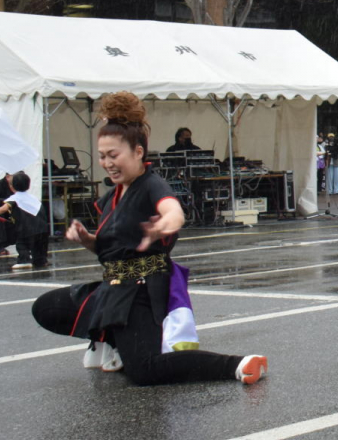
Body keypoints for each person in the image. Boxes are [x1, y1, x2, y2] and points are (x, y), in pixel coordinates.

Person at [30, 92, 267, 386]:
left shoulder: (151, 184)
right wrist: (88, 240)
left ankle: (236, 364)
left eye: (113, 155)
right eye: (103, 156)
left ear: (138, 152)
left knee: (145, 370)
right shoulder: (113, 196)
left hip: (141, 290)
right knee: (46, 307)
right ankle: (112, 340)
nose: (106, 163)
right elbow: (111, 250)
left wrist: (164, 225)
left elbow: (174, 212)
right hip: (112, 287)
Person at [0, 171, 49, 270]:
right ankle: (41, 261)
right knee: (39, 246)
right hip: (43, 228)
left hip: (27, 228)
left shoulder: (15, 198)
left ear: (12, 186)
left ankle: (24, 261)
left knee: (22, 243)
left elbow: (3, 209)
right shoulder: (33, 198)